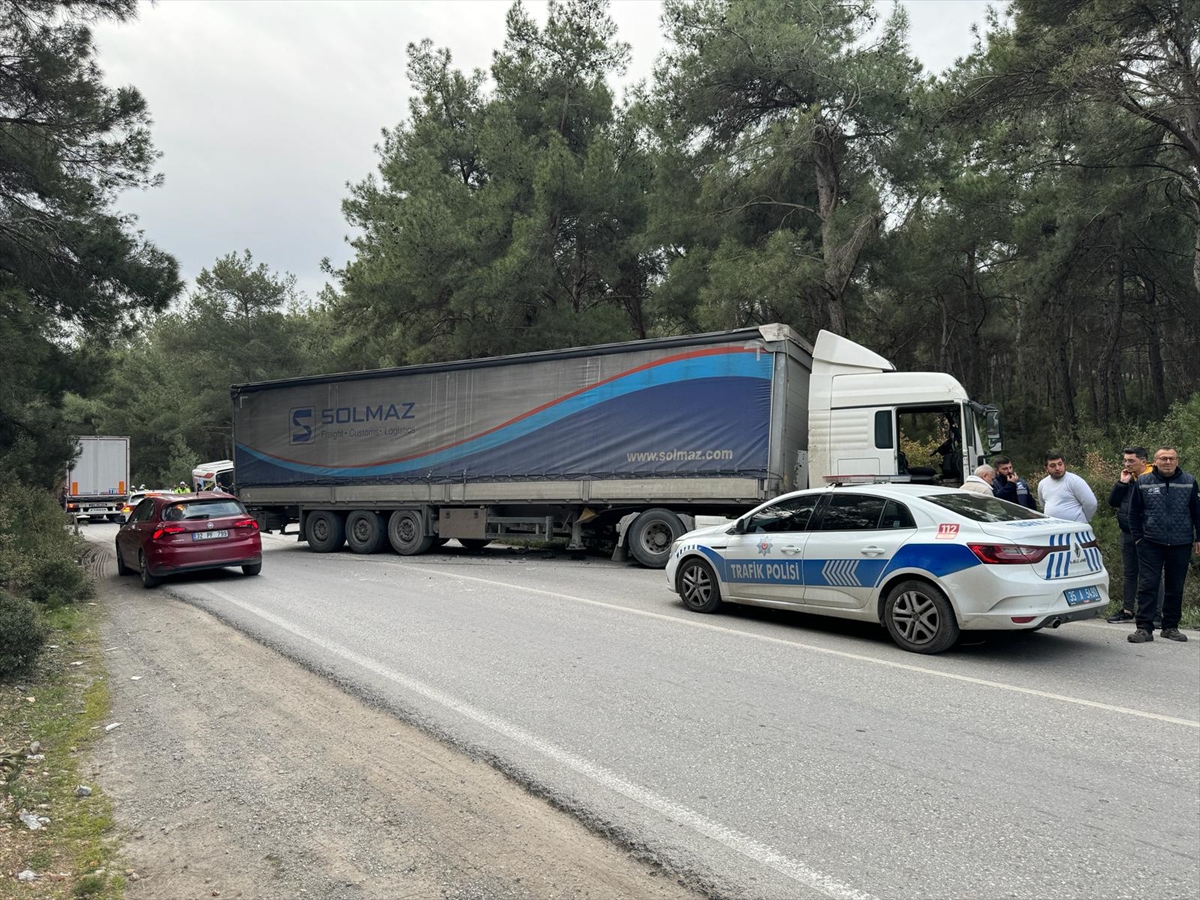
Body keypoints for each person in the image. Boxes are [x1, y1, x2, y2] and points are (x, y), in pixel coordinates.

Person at [1127, 447, 1200, 643]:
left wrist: (1198, 537)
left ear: (1177, 461)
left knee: (1175, 587)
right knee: (1148, 585)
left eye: (1171, 458)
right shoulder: (1143, 482)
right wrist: (1138, 538)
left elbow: (1197, 512)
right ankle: (1144, 628)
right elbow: (1133, 513)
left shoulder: (1189, 481)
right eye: (1163, 458)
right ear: (1155, 461)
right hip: (1150, 542)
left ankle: (1170, 627)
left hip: (1181, 542)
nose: (1168, 462)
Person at [1106, 447, 1162, 626]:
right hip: (1127, 532)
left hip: (1147, 534)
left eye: (1131, 461)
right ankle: (1127, 610)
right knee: (1129, 573)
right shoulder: (1129, 479)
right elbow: (1113, 502)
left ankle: (1156, 614)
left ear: (1143, 461)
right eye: (1125, 460)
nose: (1127, 464)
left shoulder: (1155, 479)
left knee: (1151, 574)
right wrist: (1122, 483)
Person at [1038, 452, 1097, 522]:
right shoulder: (1042, 484)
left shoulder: (1075, 481)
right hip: (1052, 527)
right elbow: (1043, 504)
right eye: (1053, 466)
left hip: (1075, 527)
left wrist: (1083, 520)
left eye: (1060, 464)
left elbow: (1091, 504)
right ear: (1046, 468)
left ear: (1064, 464)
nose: (1057, 468)